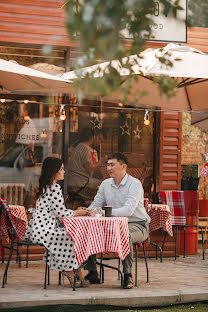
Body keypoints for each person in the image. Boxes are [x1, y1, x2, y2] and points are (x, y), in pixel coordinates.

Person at [82, 152, 150, 289]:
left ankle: (127, 275)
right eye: (107, 165)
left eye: (112, 165)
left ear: (123, 166)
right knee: (89, 229)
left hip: (137, 225)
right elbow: (96, 204)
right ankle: (92, 272)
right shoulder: (105, 184)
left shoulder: (135, 184)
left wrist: (103, 213)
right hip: (112, 225)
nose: (108, 168)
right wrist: (87, 211)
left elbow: (128, 211)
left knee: (126, 234)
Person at [24, 156, 89, 287]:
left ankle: (75, 274)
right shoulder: (55, 188)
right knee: (71, 237)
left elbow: (58, 212)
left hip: (39, 229)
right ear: (54, 172)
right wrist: (78, 213)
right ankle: (72, 273)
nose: (63, 172)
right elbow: (62, 214)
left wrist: (76, 212)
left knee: (70, 237)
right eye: (61, 169)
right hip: (45, 230)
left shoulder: (47, 187)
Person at [68, 126, 105, 199]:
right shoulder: (84, 148)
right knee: (105, 184)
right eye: (99, 138)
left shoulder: (79, 146)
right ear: (92, 137)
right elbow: (89, 168)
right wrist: (101, 161)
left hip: (74, 180)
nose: (99, 142)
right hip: (80, 182)